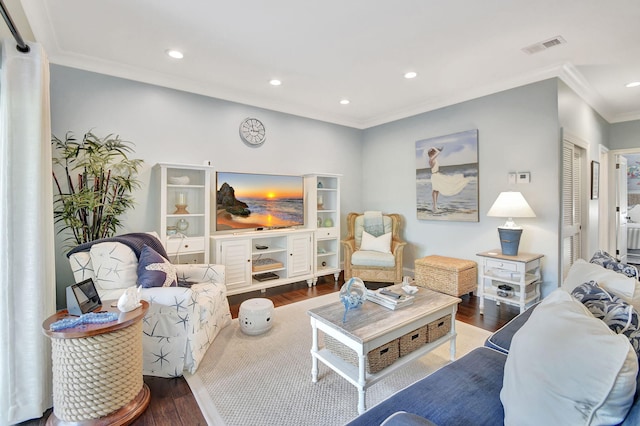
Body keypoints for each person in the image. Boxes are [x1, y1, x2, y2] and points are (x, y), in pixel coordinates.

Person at [428, 146, 470, 213]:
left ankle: (434, 206)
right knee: (435, 190)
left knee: (436, 190)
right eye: (434, 152)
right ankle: (434, 206)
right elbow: (438, 152)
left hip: (436, 175)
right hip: (435, 176)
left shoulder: (433, 159)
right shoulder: (431, 160)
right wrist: (434, 148)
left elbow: (437, 153)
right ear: (432, 153)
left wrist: (435, 149)